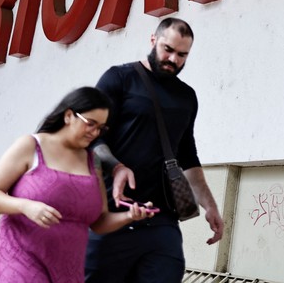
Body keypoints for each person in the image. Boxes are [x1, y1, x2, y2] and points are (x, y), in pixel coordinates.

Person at [84, 17, 224, 283]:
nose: (173, 59)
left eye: (182, 55)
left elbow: (187, 155)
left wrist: (210, 205)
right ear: (153, 40)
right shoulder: (119, 78)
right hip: (112, 214)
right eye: (167, 49)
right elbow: (90, 136)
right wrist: (116, 166)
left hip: (161, 221)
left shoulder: (187, 97)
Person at [0, 87, 154, 283]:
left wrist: (130, 216)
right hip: (19, 261)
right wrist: (25, 206)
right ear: (69, 115)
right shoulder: (30, 145)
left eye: (101, 128)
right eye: (91, 124)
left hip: (67, 270)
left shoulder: (93, 161)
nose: (95, 132)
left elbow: (99, 221)